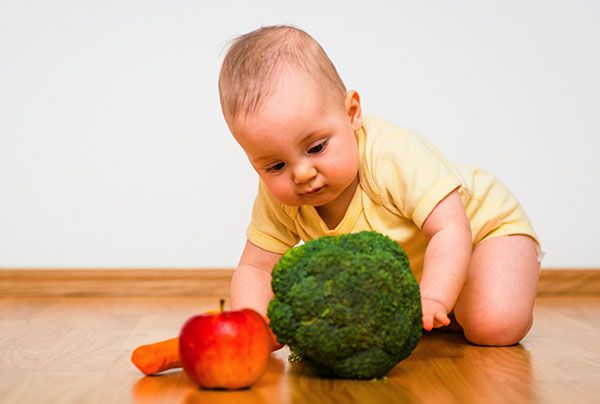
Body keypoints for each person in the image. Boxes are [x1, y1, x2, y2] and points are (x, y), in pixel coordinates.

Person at [218, 25, 542, 346]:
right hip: (422, 262)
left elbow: (450, 230)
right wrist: (253, 325)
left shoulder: (393, 155)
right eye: (275, 166)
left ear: (352, 113)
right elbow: (256, 268)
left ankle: (470, 295)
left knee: (493, 325)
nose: (300, 174)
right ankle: (457, 303)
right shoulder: (280, 198)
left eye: (316, 147)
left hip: (484, 231)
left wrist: (432, 298)